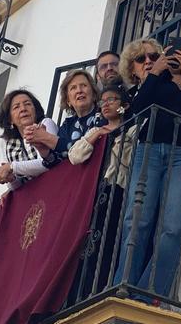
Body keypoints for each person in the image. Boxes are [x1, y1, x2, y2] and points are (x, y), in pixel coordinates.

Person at [114, 37, 181, 301]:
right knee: (137, 221)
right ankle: (121, 287)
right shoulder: (155, 88)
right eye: (169, 55)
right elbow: (138, 109)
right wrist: (156, 72)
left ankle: (149, 293)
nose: (173, 59)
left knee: (172, 227)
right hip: (147, 152)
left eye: (180, 55)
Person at [69, 85, 136, 295]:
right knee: (87, 242)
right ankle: (82, 291)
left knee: (108, 238)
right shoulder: (95, 131)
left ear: (124, 106)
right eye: (103, 101)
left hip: (118, 189)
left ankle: (100, 288)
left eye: (111, 100)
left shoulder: (133, 130)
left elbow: (128, 162)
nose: (105, 104)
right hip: (96, 191)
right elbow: (74, 156)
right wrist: (97, 134)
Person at [22, 69, 106, 168]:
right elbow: (56, 162)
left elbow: (82, 150)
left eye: (84, 85)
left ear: (94, 94)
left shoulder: (103, 114)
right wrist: (42, 149)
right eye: (73, 88)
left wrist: (47, 137)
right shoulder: (67, 125)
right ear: (68, 100)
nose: (79, 90)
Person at [0, 90, 58, 189]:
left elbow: (47, 163)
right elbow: (17, 186)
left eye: (27, 104)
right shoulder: (7, 143)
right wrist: (11, 179)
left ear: (35, 110)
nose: (23, 109)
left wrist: (11, 167)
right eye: (16, 107)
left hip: (55, 185)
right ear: (10, 119)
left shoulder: (45, 124)